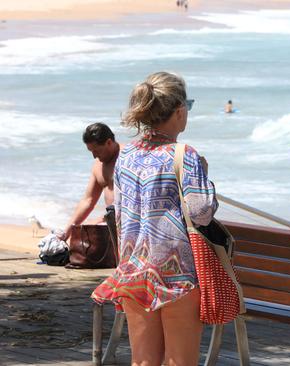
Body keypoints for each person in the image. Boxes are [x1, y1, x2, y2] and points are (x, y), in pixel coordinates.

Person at [92, 72, 217, 366]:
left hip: (134, 268)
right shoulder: (184, 155)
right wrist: (205, 178)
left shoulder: (126, 154)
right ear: (178, 111)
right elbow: (202, 213)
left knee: (143, 361)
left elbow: (120, 210)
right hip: (176, 272)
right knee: (180, 361)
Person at [58, 122, 120, 242]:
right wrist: (66, 233)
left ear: (108, 142)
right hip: (110, 222)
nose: (94, 156)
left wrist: (104, 219)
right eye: (91, 151)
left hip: (129, 226)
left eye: (96, 151)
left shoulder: (128, 158)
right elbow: (88, 200)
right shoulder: (98, 165)